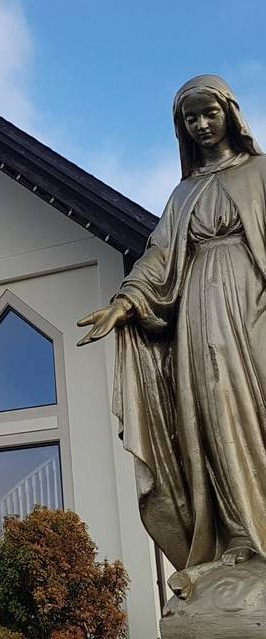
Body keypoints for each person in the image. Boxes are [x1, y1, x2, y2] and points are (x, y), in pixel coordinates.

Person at [77, 75, 266, 585]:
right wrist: (124, 303)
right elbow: (158, 257)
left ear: (230, 113)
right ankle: (238, 537)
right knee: (210, 417)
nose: (202, 125)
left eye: (210, 113)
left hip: (253, 307)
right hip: (198, 315)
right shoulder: (184, 195)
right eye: (191, 119)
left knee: (255, 409)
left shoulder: (261, 173)